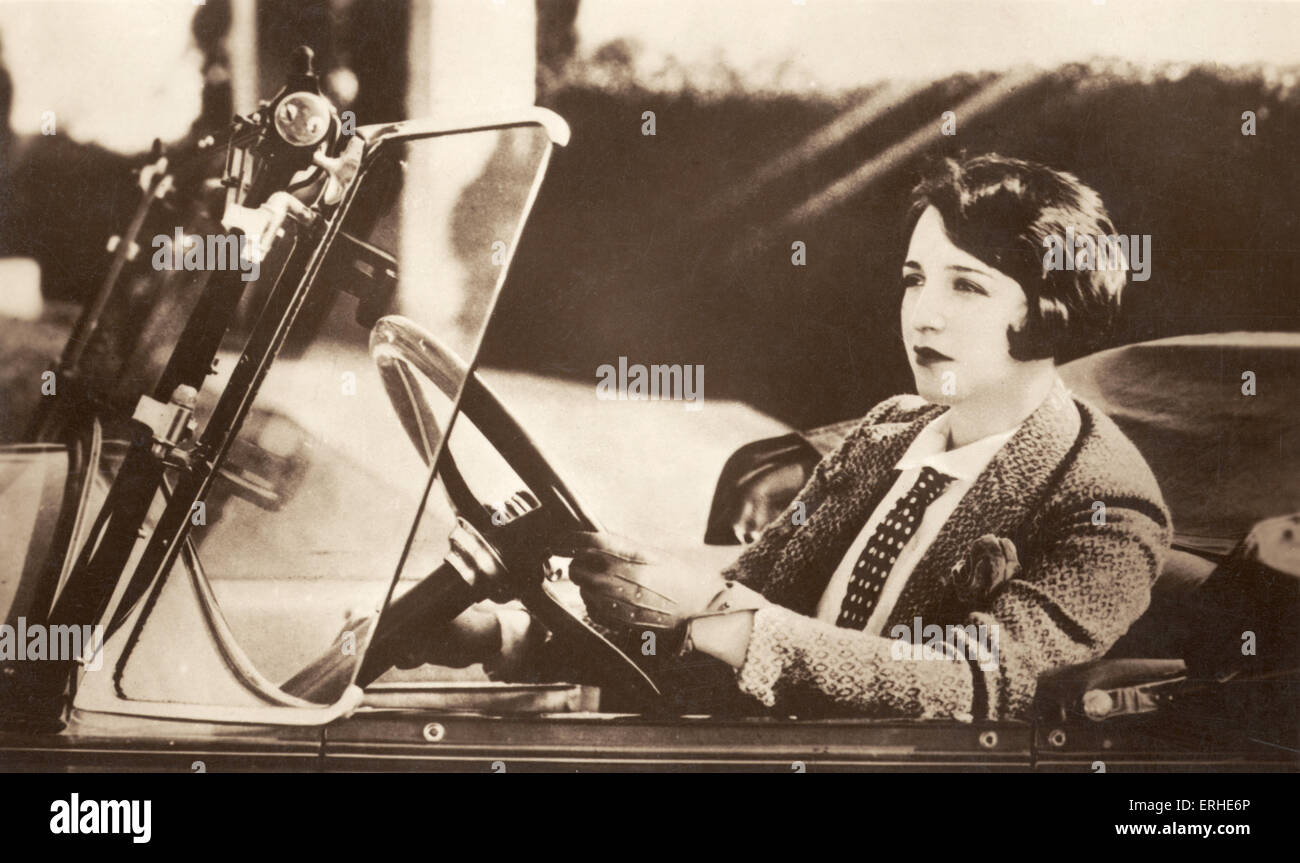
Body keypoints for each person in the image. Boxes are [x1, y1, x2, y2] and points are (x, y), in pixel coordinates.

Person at [411, 154, 1173, 721]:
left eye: (965, 285)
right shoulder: (888, 432)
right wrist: (503, 633)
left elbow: (977, 681)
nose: (923, 314)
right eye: (914, 279)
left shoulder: (1105, 497)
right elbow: (753, 592)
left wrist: (715, 613)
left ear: (1051, 308)